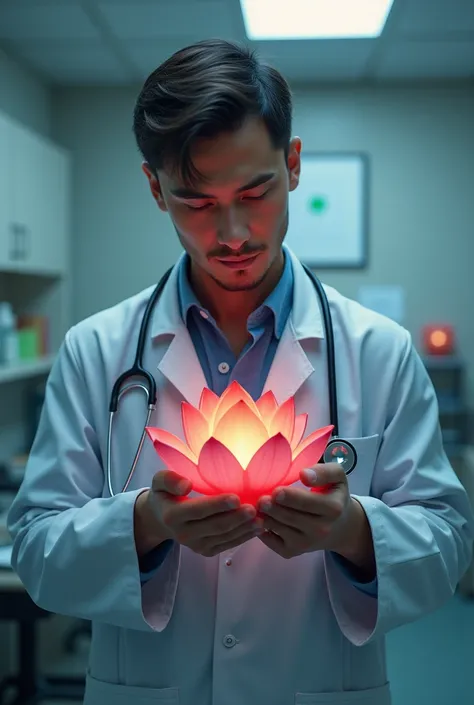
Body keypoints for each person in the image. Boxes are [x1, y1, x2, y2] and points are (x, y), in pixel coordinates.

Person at [7, 38, 474, 705]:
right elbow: (33, 546)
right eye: (196, 202)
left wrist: (352, 530)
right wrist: (143, 522)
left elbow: (449, 540)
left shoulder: (378, 350)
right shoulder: (97, 351)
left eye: (254, 192)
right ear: (154, 189)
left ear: (293, 165)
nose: (231, 232)